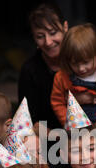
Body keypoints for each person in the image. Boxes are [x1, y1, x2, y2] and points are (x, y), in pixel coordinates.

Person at [50, 23, 96, 129]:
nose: (81, 68)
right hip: (75, 127)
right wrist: (70, 123)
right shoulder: (61, 77)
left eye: (86, 62)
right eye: (74, 63)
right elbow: (57, 102)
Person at [18, 2, 68, 130]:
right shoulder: (30, 70)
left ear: (65, 27)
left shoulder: (87, 54)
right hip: (50, 141)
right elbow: (27, 120)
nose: (48, 42)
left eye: (53, 33)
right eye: (40, 36)